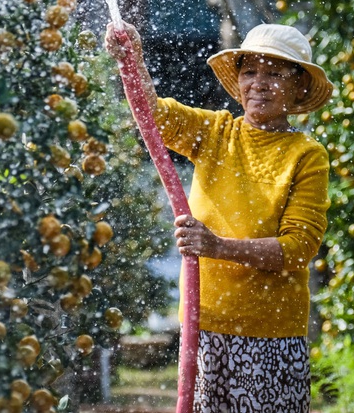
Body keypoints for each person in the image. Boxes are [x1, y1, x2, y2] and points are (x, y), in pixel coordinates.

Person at [105, 21, 334, 413]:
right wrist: (133, 58)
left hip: (270, 333)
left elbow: (298, 249)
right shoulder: (215, 132)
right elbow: (153, 117)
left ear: (298, 87)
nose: (258, 83)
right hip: (204, 322)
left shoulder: (306, 154)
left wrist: (216, 246)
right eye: (250, 71)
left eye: (274, 73)